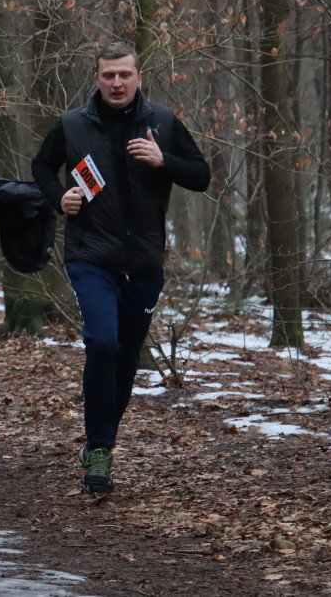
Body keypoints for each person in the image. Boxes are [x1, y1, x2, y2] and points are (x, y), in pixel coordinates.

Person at [31, 42, 211, 494]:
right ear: (97, 78)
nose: (116, 83)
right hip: (91, 254)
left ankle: (101, 444)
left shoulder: (163, 123)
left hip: (146, 261)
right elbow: (41, 167)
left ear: (138, 77)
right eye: (108, 75)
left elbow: (201, 174)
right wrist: (59, 198)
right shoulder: (73, 125)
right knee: (103, 341)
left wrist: (164, 160)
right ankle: (99, 447)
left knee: (128, 355)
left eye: (124, 75)